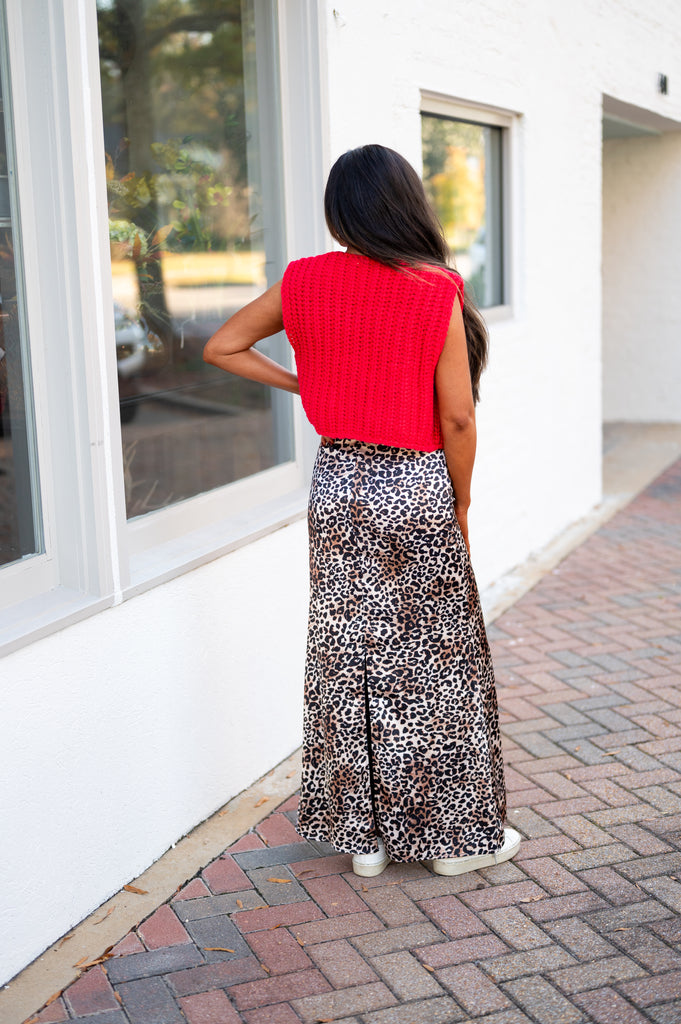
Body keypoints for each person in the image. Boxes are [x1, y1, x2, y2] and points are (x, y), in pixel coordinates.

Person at [204, 143, 520, 878]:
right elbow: (459, 420)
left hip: (338, 484)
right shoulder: (434, 287)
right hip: (415, 488)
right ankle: (451, 844)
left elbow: (222, 346)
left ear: (339, 211)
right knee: (436, 665)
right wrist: (462, 501)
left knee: (347, 654)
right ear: (407, 205)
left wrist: (308, 386)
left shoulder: (303, 281)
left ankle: (366, 842)